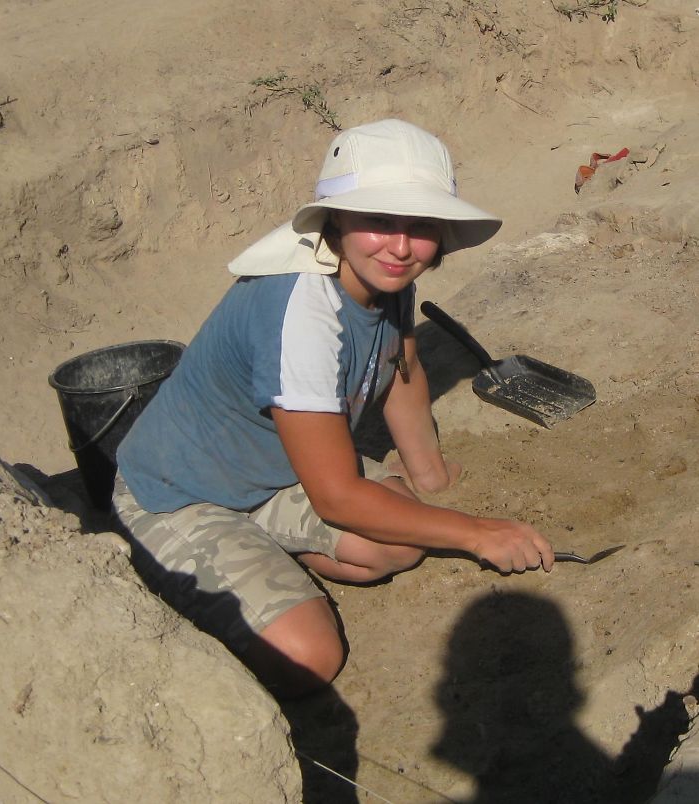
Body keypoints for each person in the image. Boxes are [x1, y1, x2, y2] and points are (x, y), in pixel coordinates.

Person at [113, 119, 555, 699]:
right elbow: (337, 496)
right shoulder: (300, 310)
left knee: (399, 541)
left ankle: (259, 559)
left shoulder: (385, 277)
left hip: (277, 477)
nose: (401, 247)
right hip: (179, 496)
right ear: (337, 217)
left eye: (421, 225)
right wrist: (477, 533)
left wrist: (432, 477)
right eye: (379, 220)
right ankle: (167, 575)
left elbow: (402, 370)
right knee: (310, 657)